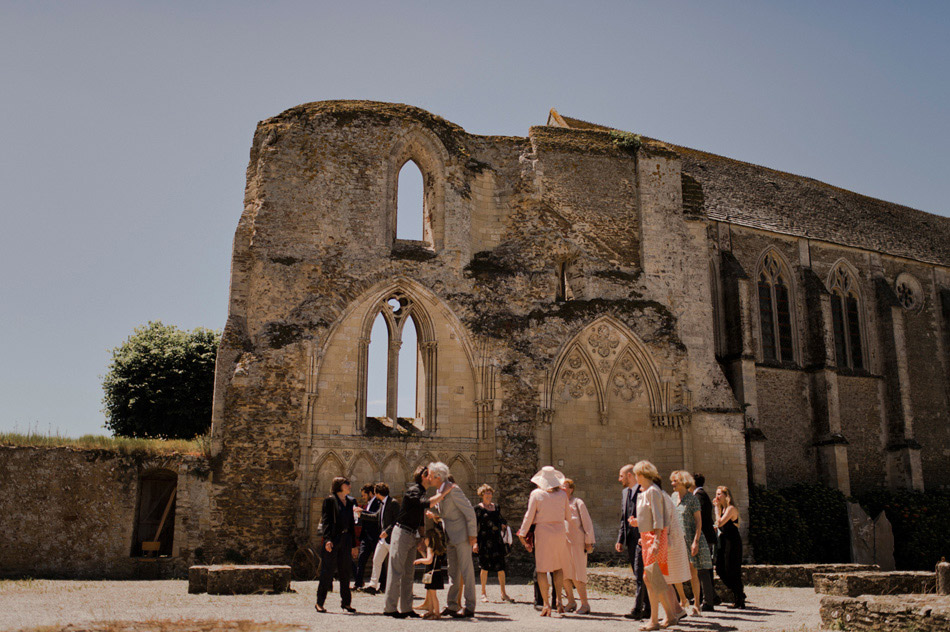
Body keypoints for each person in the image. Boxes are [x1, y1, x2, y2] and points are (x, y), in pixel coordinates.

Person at [382, 466, 454, 618]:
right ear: (424, 476)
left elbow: (420, 516)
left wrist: (421, 537)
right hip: (401, 532)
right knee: (396, 571)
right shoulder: (413, 490)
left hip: (411, 534)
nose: (433, 476)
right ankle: (390, 609)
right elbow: (426, 504)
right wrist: (444, 492)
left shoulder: (421, 492)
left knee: (409, 573)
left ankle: (407, 608)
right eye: (431, 474)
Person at [630, 461, 686, 631]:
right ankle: (667, 616)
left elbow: (659, 519)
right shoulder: (648, 491)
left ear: (641, 474)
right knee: (652, 578)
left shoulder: (653, 491)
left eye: (636, 473)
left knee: (652, 578)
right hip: (648, 538)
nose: (634, 477)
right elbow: (650, 518)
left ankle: (660, 618)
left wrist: (655, 541)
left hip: (655, 539)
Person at [518, 466, 574, 617]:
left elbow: (529, 516)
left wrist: (522, 533)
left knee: (542, 568)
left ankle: (546, 604)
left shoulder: (536, 494)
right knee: (558, 567)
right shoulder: (562, 495)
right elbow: (568, 516)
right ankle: (560, 603)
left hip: (543, 532)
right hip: (559, 530)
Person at [427, 462, 478, 618]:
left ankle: (470, 606)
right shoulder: (441, 491)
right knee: (453, 572)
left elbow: (470, 512)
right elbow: (448, 514)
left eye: (430, 475)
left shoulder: (454, 490)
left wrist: (472, 535)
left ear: (438, 476)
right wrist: (436, 516)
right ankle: (452, 605)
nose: (428, 478)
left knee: (466, 571)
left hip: (462, 536)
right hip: (450, 536)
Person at [670, 470, 714, 616]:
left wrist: (695, 541)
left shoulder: (692, 499)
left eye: (675, 481)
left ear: (683, 482)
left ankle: (696, 604)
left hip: (690, 538)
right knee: (675, 571)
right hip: (677, 539)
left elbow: (698, 522)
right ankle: (683, 599)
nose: (672, 484)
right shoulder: (673, 497)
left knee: (693, 573)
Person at [315, 476, 359, 614]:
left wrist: (354, 545)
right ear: (339, 485)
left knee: (345, 572)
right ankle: (319, 603)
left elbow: (352, 524)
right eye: (347, 483)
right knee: (327, 572)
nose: (349, 486)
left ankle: (346, 603)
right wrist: (327, 539)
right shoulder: (330, 500)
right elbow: (326, 521)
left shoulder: (351, 501)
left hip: (346, 539)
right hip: (333, 539)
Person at [616, 464, 650, 620]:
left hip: (643, 538)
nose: (619, 479)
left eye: (621, 476)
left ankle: (638, 608)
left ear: (630, 475)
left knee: (641, 574)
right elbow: (623, 518)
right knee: (639, 573)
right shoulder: (624, 493)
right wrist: (620, 539)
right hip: (630, 540)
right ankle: (647, 608)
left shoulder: (643, 490)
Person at [473, 484, 513, 603]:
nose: (489, 495)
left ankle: (503, 593)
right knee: (484, 567)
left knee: (501, 567)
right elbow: (474, 526)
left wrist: (503, 524)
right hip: (484, 540)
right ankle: (483, 593)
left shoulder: (496, 507)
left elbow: (501, 519)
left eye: (490, 493)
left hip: (496, 540)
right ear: (482, 495)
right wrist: (474, 543)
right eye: (487, 493)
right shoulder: (478, 509)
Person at [561, 478, 595, 615]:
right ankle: (571, 601)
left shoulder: (578, 503)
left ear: (571, 489)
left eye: (565, 487)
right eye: (561, 487)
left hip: (577, 543)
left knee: (578, 574)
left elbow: (587, 523)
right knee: (564, 574)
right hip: (563, 543)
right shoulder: (559, 504)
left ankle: (585, 604)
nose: (562, 489)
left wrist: (588, 541)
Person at [359, 482, 399, 595]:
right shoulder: (382, 503)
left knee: (394, 564)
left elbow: (397, 520)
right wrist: (361, 514)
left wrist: (387, 531)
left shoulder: (393, 503)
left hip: (391, 539)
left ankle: (395, 587)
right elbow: (376, 516)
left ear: (377, 493)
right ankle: (372, 586)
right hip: (383, 540)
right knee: (376, 560)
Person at [713, 485, 745, 609]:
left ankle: (739, 599)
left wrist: (716, 509)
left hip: (733, 542)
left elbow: (719, 522)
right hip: (724, 541)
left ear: (727, 496)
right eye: (716, 494)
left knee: (732, 569)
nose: (717, 496)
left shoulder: (731, 509)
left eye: (720, 494)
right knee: (720, 569)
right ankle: (739, 594)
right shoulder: (723, 510)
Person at [692, 473, 718, 611]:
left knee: (703, 569)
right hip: (704, 536)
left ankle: (708, 600)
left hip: (703, 537)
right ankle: (711, 596)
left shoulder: (699, 496)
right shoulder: (700, 494)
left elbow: (699, 518)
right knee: (703, 569)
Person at [413, 517, 448, 619]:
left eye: (425, 539)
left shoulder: (430, 547)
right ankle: (431, 611)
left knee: (433, 596)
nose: (424, 541)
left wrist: (419, 561)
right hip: (434, 573)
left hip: (432, 575)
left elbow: (428, 560)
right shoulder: (435, 548)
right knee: (431, 593)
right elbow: (429, 560)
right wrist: (421, 552)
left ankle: (436, 613)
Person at [353, 483, 379, 590]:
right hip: (366, 537)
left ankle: (381, 584)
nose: (363, 497)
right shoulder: (368, 503)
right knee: (361, 559)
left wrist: (362, 513)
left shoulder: (377, 503)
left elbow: (375, 516)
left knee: (377, 561)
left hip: (374, 536)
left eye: (364, 495)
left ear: (370, 493)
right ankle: (358, 583)